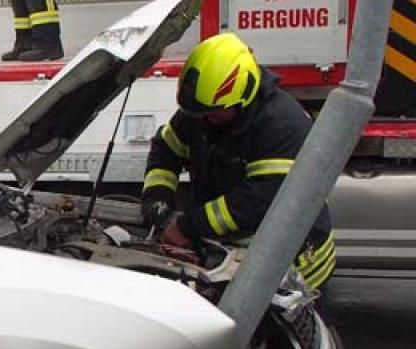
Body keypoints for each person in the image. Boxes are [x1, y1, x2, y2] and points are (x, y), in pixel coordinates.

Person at [142, 33, 336, 290]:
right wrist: (157, 196)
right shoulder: (205, 111)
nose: (204, 121)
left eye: (212, 113)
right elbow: (166, 149)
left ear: (242, 97)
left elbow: (256, 202)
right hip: (238, 258)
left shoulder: (281, 126)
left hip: (295, 272)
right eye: (199, 113)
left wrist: (188, 226)